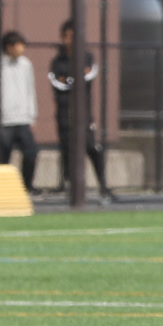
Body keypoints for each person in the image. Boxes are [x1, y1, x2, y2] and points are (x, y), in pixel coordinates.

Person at [49, 20, 112, 202]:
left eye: (73, 36)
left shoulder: (87, 57)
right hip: (64, 113)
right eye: (66, 36)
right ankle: (69, 185)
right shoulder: (57, 61)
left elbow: (88, 75)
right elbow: (57, 82)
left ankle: (103, 185)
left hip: (84, 114)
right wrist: (73, 80)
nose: (70, 40)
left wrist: (71, 79)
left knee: (92, 147)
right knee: (68, 149)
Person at [0, 31, 39, 191]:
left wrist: (32, 114)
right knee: (3, 155)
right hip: (4, 120)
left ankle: (26, 186)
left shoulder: (26, 64)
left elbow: (31, 89)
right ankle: (1, 188)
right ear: (9, 47)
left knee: (31, 152)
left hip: (23, 119)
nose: (22, 49)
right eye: (19, 45)